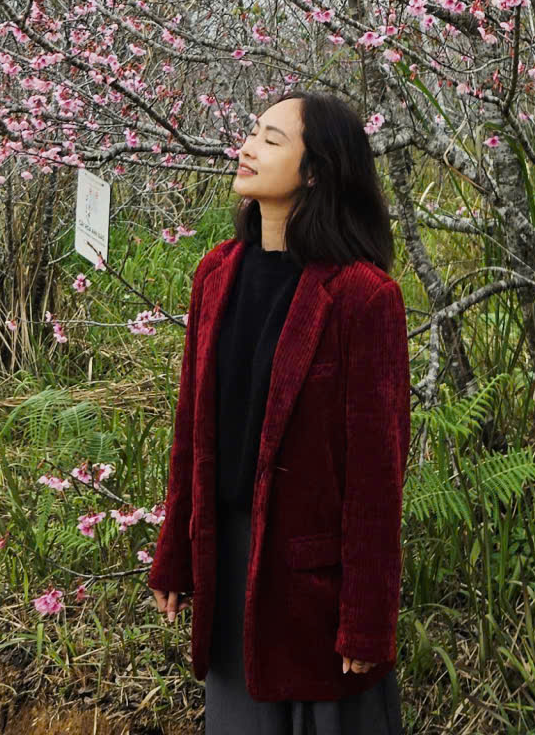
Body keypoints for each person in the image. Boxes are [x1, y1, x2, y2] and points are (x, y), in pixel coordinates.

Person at [148, 94, 410, 733]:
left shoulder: (362, 297)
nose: (246, 148)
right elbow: (192, 432)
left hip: (317, 587)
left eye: (269, 139)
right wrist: (175, 553)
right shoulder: (217, 274)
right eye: (252, 133)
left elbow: (378, 476)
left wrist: (366, 617)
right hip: (230, 566)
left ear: (315, 171)